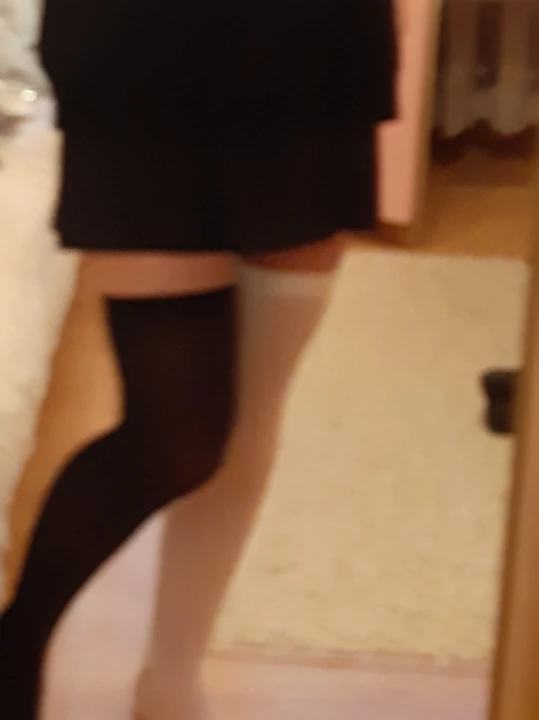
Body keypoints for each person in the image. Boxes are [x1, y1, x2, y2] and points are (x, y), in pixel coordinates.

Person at [0, 1, 397, 718]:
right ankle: (13, 649)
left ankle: (171, 686)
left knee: (254, 410)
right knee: (176, 438)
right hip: (140, 48)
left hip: (306, 47)